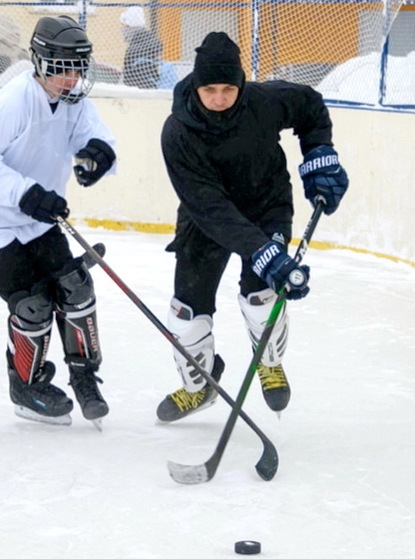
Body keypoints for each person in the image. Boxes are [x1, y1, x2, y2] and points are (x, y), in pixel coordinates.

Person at [156, 32, 348, 422]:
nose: (221, 98)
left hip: (266, 206)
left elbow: (310, 105)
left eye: (229, 88)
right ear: (196, 85)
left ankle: (269, 363)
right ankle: (200, 387)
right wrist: (262, 253)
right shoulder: (177, 131)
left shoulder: (263, 102)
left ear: (241, 84)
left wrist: (319, 155)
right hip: (206, 220)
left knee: (262, 297)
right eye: (210, 89)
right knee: (185, 315)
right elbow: (208, 206)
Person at [0, 16, 117, 427]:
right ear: (40, 63)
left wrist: (98, 157)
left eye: (78, 68)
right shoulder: (15, 100)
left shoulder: (74, 101)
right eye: (62, 68)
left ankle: (84, 377)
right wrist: (26, 194)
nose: (72, 78)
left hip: (37, 220)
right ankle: (26, 386)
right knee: (33, 306)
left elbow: (98, 138)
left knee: (76, 290)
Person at [120, 6, 164, 89]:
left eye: (124, 26)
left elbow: (132, 80)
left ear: (130, 26)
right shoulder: (151, 44)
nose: (122, 29)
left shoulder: (135, 50)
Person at [0, 15, 29, 85]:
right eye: (11, 35)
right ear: (3, 37)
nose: (15, 37)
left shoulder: (23, 54)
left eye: (17, 34)